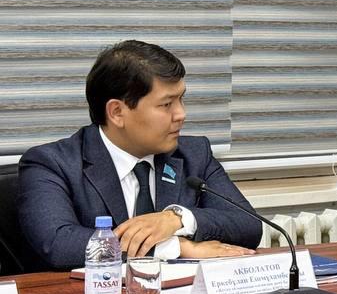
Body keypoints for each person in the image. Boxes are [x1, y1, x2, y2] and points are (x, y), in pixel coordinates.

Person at [19, 40, 262, 270]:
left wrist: (176, 219)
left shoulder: (194, 154)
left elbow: (249, 225)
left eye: (181, 99)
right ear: (117, 112)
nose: (181, 114)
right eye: (166, 104)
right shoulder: (52, 163)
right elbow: (59, 243)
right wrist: (175, 247)